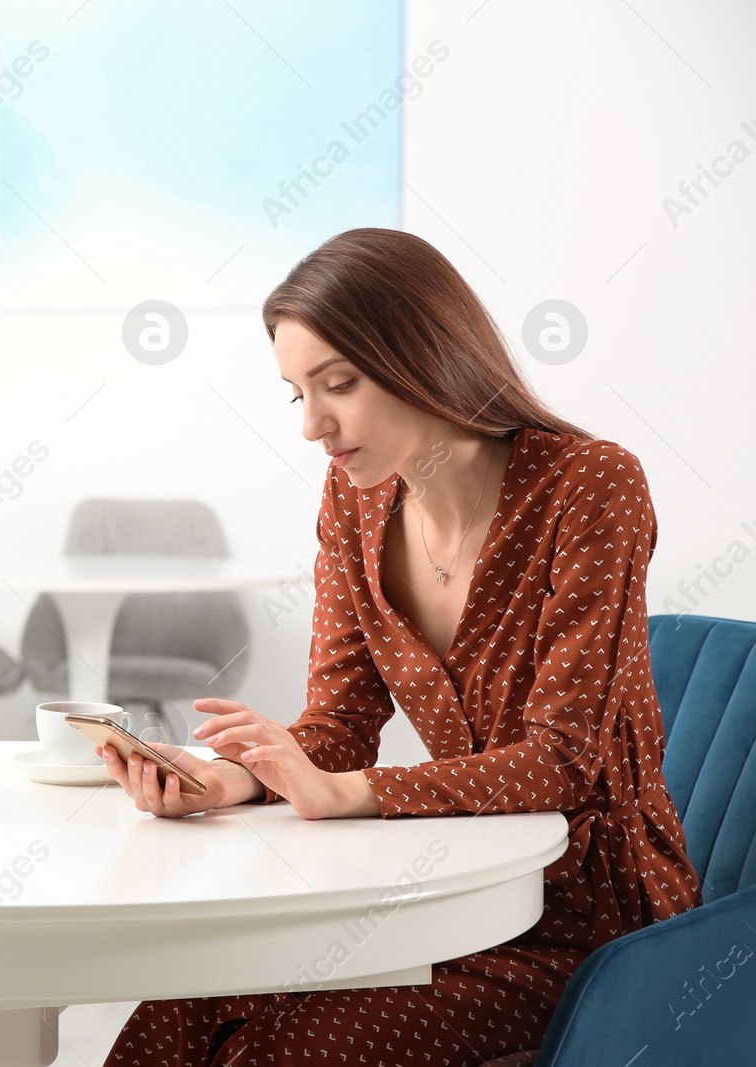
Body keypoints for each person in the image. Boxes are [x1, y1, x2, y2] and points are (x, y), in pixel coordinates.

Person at [98, 228, 700, 1066]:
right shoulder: (355, 503)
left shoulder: (591, 485)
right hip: (448, 886)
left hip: (586, 918)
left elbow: (565, 761)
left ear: (425, 353)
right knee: (179, 1013)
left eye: (338, 384)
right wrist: (235, 779)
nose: (313, 424)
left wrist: (344, 794)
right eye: (296, 393)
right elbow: (341, 720)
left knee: (281, 1051)